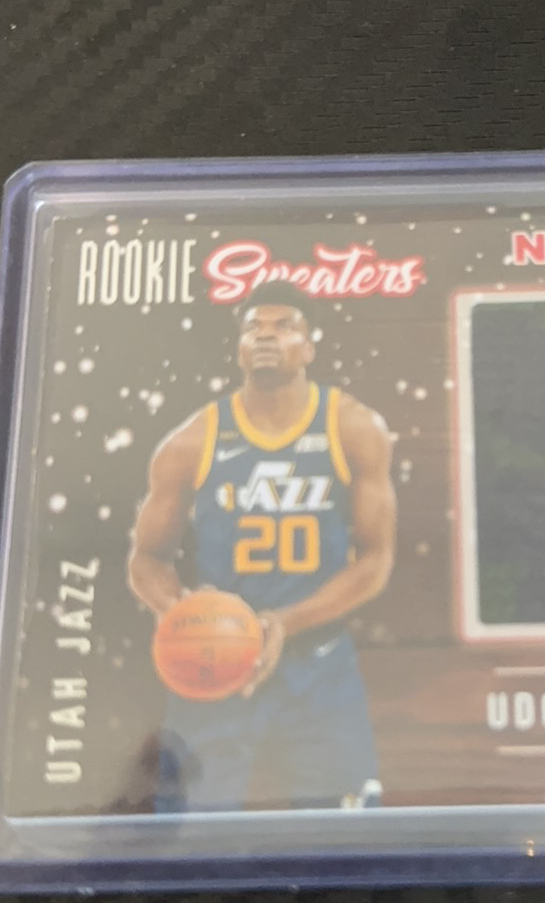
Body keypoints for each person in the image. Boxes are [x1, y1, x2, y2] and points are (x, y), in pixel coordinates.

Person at [127, 280, 396, 812]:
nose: (267, 336)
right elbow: (146, 558)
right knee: (190, 834)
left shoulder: (353, 427)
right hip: (215, 665)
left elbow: (375, 560)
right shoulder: (191, 441)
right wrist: (180, 613)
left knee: (344, 838)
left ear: (309, 347)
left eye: (284, 326)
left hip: (318, 663)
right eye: (254, 329)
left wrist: (283, 623)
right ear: (239, 350)